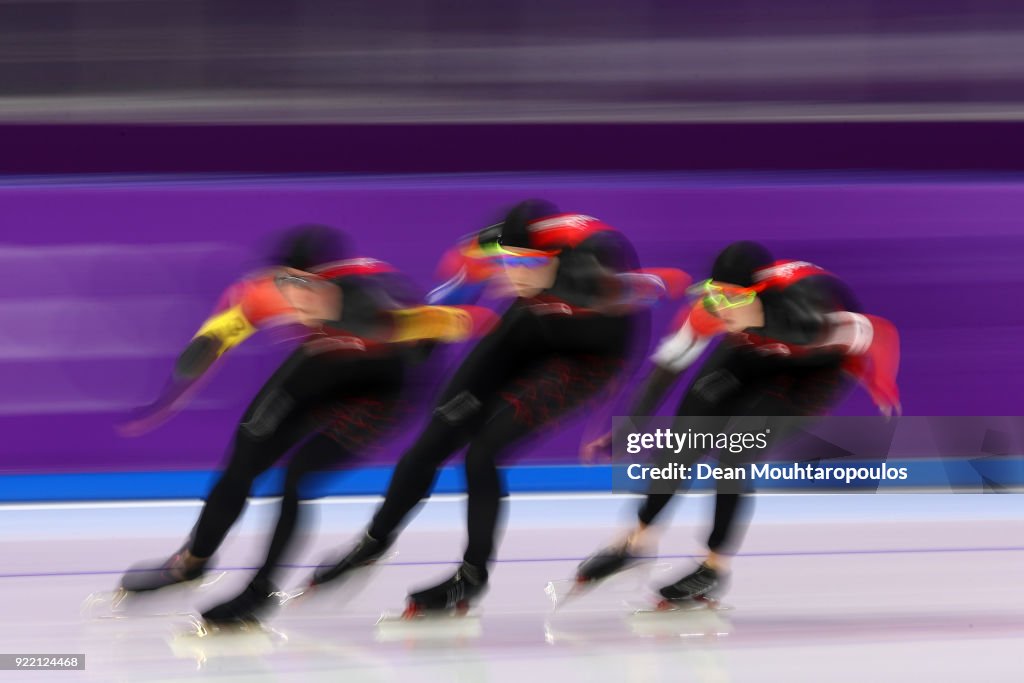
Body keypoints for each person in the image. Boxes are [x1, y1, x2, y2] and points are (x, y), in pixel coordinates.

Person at [308, 201, 689, 615]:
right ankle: (372, 543)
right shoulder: (483, 251)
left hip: (590, 356)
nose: (514, 271)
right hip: (533, 324)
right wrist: (421, 341)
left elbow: (656, 287)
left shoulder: (590, 273)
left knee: (482, 454)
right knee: (434, 437)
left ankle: (471, 577)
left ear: (556, 259)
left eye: (526, 263)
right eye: (506, 260)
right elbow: (449, 295)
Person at [116, 225, 493, 625]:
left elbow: (468, 322)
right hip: (321, 363)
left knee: (296, 477)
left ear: (334, 284)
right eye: (286, 283)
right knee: (246, 453)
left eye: (308, 286)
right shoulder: (269, 292)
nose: (296, 297)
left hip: (380, 388)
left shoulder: (375, 309)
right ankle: (191, 562)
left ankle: (260, 592)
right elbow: (222, 330)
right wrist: (189, 367)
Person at [577, 241, 901, 607]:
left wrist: (879, 381)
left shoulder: (807, 317)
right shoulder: (711, 312)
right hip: (750, 349)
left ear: (759, 295)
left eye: (732, 299)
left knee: (734, 454)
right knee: (681, 444)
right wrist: (629, 426)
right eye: (715, 296)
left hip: (812, 373)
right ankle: (636, 542)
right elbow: (665, 370)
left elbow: (879, 332)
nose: (720, 307)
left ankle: (713, 569)